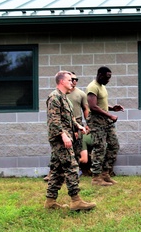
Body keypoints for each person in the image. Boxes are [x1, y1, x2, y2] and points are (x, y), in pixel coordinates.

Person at [45, 71, 96, 211]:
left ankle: (50, 202)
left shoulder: (65, 98)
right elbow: (54, 120)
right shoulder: (54, 97)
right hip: (60, 139)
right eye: (69, 80)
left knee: (57, 170)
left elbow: (69, 118)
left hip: (66, 136)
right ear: (61, 81)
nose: (72, 82)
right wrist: (63, 135)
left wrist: (79, 126)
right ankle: (76, 201)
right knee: (72, 166)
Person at [86, 66, 124, 186]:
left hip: (105, 121)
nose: (108, 80)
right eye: (107, 77)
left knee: (114, 145)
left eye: (110, 78)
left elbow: (100, 104)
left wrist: (112, 108)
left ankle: (105, 174)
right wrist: (110, 115)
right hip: (96, 121)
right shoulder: (93, 87)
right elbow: (92, 106)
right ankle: (96, 178)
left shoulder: (102, 87)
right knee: (100, 147)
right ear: (100, 75)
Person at [66, 71, 90, 172]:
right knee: (61, 149)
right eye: (72, 79)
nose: (75, 81)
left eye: (76, 79)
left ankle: (74, 171)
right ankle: (54, 172)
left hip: (77, 124)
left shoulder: (81, 94)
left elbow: (86, 109)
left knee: (76, 149)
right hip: (65, 124)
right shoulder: (61, 94)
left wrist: (87, 123)